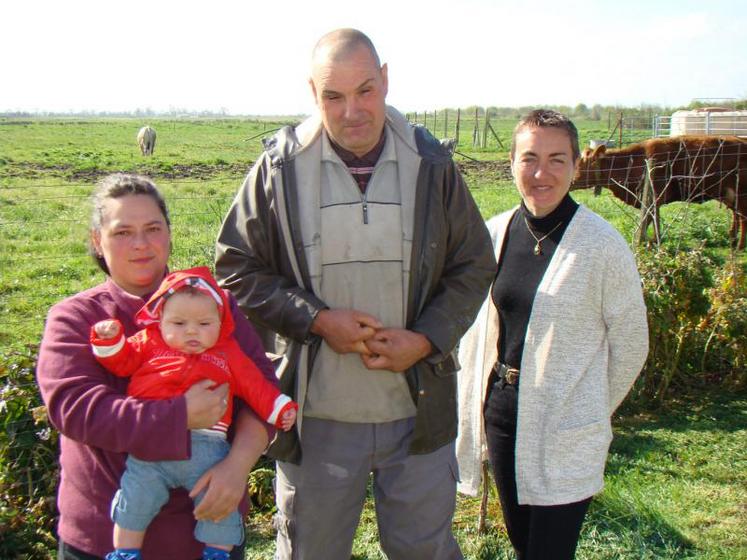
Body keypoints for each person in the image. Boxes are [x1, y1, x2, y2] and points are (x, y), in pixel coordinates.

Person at [215, 28, 495, 560]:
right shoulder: (280, 169)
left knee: (425, 551)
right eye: (333, 96)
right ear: (312, 93)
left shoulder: (432, 165)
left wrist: (427, 338)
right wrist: (317, 321)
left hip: (418, 412)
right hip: (315, 418)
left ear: (386, 80)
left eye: (365, 90)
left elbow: (474, 262)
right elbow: (235, 267)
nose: (352, 112)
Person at [36, 173, 278, 560]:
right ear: (98, 240)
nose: (141, 244)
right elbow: (77, 410)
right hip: (105, 537)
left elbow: (262, 390)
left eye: (153, 228)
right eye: (122, 232)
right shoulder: (76, 317)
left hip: (208, 531)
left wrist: (237, 466)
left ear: (169, 233)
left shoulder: (217, 307)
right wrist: (179, 415)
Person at [455, 109, 649, 560]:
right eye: (530, 158)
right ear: (511, 163)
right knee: (524, 543)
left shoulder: (601, 246)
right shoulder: (495, 233)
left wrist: (590, 406)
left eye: (557, 159)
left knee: (550, 551)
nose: (542, 173)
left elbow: (632, 342)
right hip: (503, 416)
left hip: (566, 427)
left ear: (577, 165)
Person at [90, 266, 298, 560]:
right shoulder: (147, 343)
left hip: (208, 446)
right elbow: (121, 362)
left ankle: (216, 552)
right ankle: (125, 552)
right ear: (159, 319)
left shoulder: (228, 353)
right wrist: (109, 341)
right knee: (135, 495)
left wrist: (280, 409)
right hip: (151, 446)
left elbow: (256, 387)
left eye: (204, 323)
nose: (191, 331)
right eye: (178, 322)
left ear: (221, 323)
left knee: (218, 502)